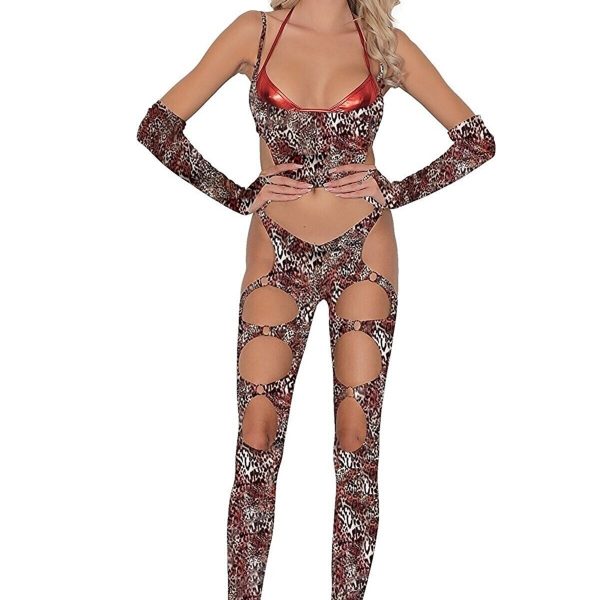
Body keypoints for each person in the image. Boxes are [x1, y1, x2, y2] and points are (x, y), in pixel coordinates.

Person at [136, 1, 496, 598]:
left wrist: (395, 191)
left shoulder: (383, 42)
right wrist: (236, 195)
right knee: (257, 436)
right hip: (276, 254)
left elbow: (477, 141)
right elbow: (157, 127)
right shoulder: (254, 32)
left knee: (356, 441)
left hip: (364, 252)